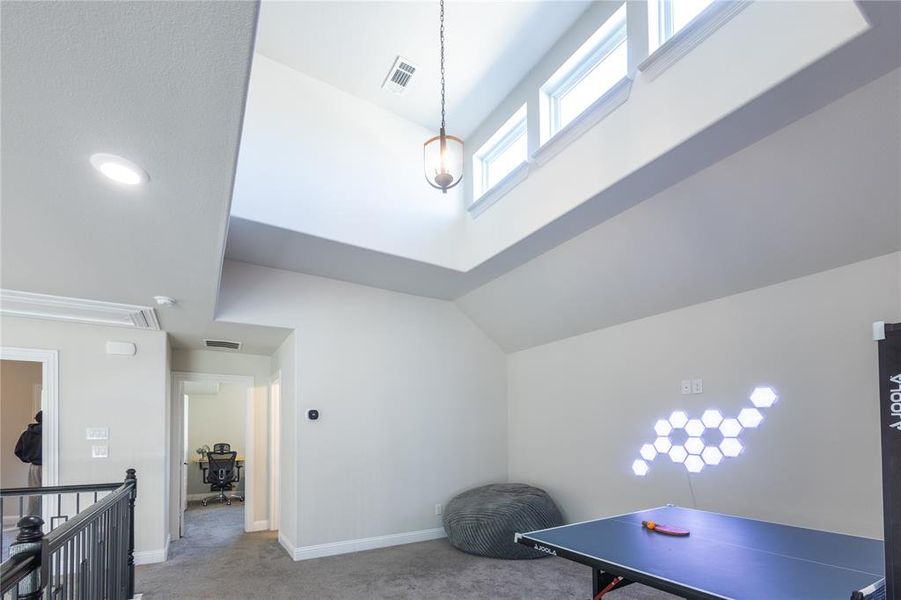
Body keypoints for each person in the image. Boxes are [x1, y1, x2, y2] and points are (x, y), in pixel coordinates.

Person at [14, 410, 42, 515]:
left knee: (34, 495)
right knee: (52, 494)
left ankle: (32, 519)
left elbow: (18, 451)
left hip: (34, 467)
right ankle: (49, 519)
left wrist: (28, 458)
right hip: (51, 466)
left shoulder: (27, 433)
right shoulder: (52, 433)